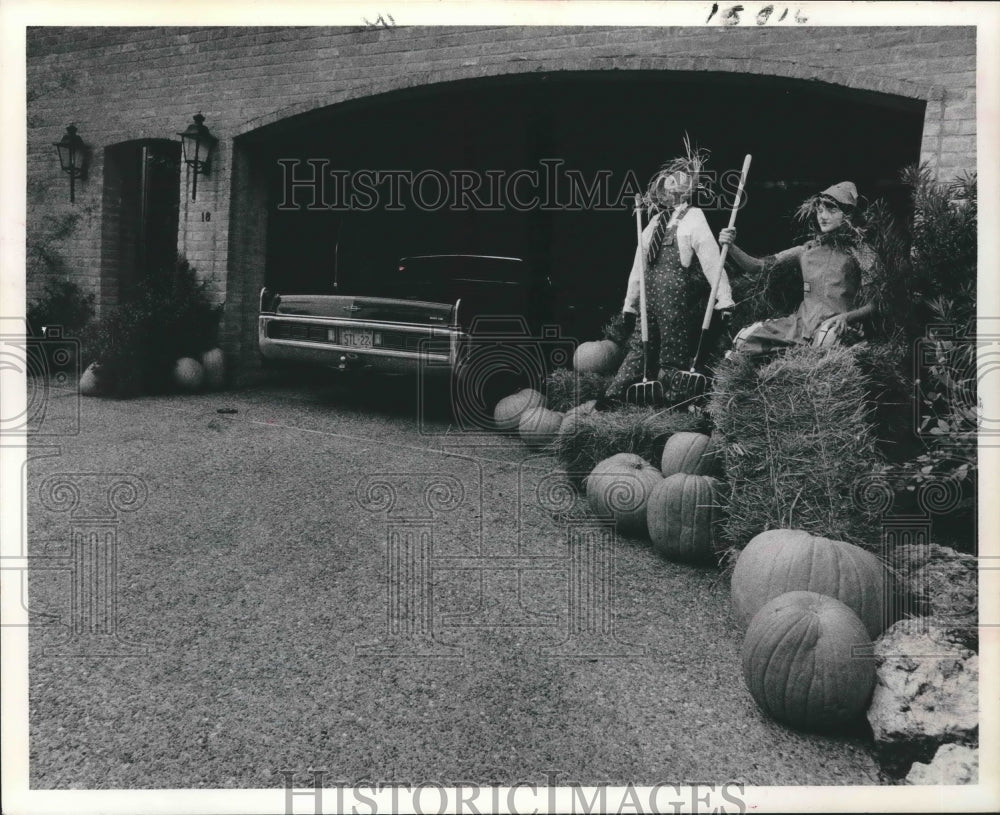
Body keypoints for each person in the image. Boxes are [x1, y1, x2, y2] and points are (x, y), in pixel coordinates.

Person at [600, 144, 735, 406]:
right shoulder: (652, 223)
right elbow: (638, 269)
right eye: (668, 184)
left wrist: (724, 298)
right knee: (640, 345)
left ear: (686, 191)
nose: (670, 188)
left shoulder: (694, 217)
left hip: (674, 298)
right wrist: (629, 304)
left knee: (673, 349)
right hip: (647, 299)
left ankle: (674, 400)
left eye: (676, 183)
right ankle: (614, 395)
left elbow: (711, 260)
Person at [719, 181, 875, 356]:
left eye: (831, 209)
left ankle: (808, 355)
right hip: (801, 326)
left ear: (848, 214)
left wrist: (847, 317)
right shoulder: (806, 251)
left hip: (837, 327)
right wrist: (731, 247)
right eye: (820, 209)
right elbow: (757, 267)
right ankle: (794, 353)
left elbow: (877, 303)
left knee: (825, 339)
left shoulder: (861, 252)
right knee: (743, 340)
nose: (823, 216)